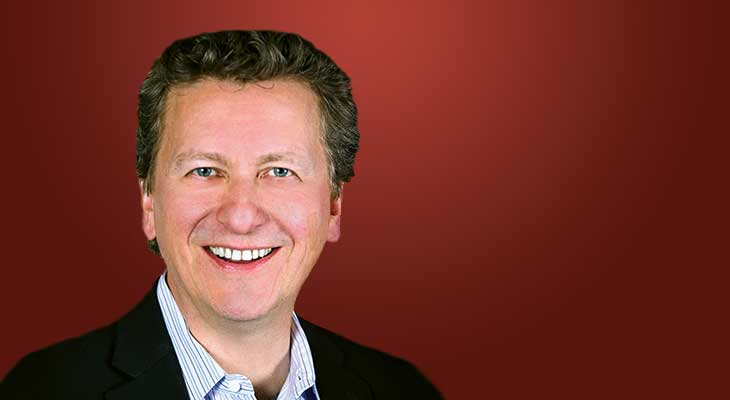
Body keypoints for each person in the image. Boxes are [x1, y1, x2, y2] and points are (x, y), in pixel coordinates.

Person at [1, 30, 442, 399]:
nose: (241, 216)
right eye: (205, 170)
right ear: (149, 200)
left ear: (333, 206)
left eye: (280, 171)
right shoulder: (40, 390)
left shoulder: (403, 390)